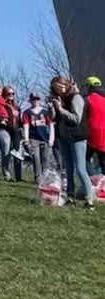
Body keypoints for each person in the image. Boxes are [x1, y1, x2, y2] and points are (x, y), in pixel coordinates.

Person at [48, 75, 96, 207]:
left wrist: (61, 109)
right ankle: (70, 195)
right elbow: (53, 118)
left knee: (80, 168)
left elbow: (76, 119)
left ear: (66, 85)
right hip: (63, 137)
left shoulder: (76, 98)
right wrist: (52, 108)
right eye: (56, 89)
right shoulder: (59, 99)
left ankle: (89, 197)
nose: (59, 91)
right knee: (68, 167)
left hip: (77, 137)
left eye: (60, 88)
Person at [21, 92, 55, 189]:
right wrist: (26, 139)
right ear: (30, 101)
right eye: (33, 99)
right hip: (33, 139)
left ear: (39, 100)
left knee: (45, 159)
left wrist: (51, 139)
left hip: (45, 139)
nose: (35, 101)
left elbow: (51, 125)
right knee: (36, 159)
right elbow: (26, 126)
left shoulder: (44, 112)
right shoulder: (27, 113)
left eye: (36, 99)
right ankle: (38, 179)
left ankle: (45, 179)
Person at [0, 85, 22, 181]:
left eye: (12, 93)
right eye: (9, 93)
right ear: (4, 94)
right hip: (3, 129)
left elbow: (19, 120)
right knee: (6, 150)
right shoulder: (1, 105)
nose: (11, 95)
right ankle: (7, 175)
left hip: (15, 131)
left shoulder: (16, 107)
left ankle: (18, 177)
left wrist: (21, 129)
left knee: (17, 152)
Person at [84, 76, 105, 176]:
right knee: (103, 161)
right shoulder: (104, 99)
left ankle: (92, 180)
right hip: (104, 135)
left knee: (83, 159)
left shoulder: (87, 99)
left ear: (89, 87)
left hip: (91, 133)